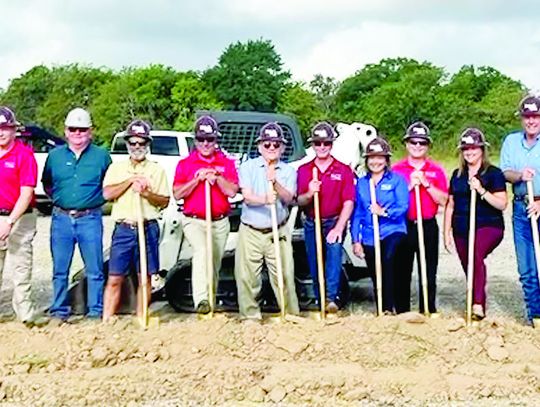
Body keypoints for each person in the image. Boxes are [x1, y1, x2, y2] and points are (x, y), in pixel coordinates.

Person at [42, 107, 111, 321]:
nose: (78, 133)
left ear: (90, 131)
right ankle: (59, 311)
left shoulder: (101, 156)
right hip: (61, 218)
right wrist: (63, 201)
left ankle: (95, 311)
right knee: (60, 269)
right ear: (66, 131)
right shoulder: (54, 156)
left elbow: (108, 185)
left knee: (95, 268)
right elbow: (48, 184)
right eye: (73, 129)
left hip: (90, 218)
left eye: (82, 129)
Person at [102, 120, 169, 321]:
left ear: (147, 144)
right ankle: (107, 319)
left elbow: (164, 201)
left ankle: (142, 318)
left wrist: (146, 193)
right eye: (133, 143)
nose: (137, 147)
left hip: (147, 227)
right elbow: (107, 193)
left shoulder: (157, 170)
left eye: (141, 143)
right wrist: (130, 181)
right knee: (115, 277)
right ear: (127, 144)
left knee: (145, 278)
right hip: (124, 228)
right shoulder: (117, 168)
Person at [173, 116, 239, 314]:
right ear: (195, 141)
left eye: (209, 139)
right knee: (202, 252)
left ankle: (209, 300)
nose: (205, 144)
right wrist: (196, 180)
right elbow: (177, 193)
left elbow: (232, 191)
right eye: (201, 139)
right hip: (194, 221)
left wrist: (216, 177)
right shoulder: (185, 164)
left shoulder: (226, 163)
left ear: (215, 140)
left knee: (214, 262)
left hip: (219, 221)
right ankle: (201, 299)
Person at [235, 122, 300, 321]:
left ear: (282, 147)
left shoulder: (288, 171)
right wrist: (265, 199)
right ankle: (250, 317)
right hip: (251, 230)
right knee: (247, 277)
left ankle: (289, 315)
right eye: (267, 144)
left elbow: (289, 198)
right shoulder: (247, 167)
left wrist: (275, 182)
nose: (271, 148)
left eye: (275, 144)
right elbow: (247, 196)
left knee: (284, 275)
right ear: (259, 146)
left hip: (277, 231)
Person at [444, 128, 507, 320]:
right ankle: (476, 300)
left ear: (482, 149)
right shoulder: (457, 175)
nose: (470, 152)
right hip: (462, 227)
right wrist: (446, 232)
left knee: (475, 253)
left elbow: (502, 203)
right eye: (466, 149)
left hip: (489, 225)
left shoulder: (493, 174)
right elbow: (450, 205)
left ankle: (478, 303)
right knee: (469, 264)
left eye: (474, 148)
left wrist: (481, 190)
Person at [297, 121, 355, 313]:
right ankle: (320, 299)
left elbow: (348, 201)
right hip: (312, 222)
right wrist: (309, 192)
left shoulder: (343, 170)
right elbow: (299, 200)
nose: (322, 147)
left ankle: (331, 299)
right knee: (314, 262)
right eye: (318, 143)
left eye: (326, 143)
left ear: (332, 144)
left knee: (333, 257)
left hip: (334, 221)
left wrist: (339, 228)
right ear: (312, 145)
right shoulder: (304, 170)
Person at [393, 122, 448, 314]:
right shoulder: (397, 171)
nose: (417, 146)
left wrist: (426, 184)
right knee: (401, 271)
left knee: (428, 270)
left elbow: (443, 200)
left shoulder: (436, 170)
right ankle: (402, 312)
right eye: (413, 142)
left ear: (427, 146)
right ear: (407, 144)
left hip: (427, 225)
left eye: (422, 143)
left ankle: (428, 310)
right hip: (403, 225)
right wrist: (408, 186)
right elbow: (391, 202)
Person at [351, 137, 408, 314]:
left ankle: (393, 308)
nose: (376, 161)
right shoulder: (361, 183)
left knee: (388, 262)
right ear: (367, 160)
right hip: (369, 234)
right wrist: (355, 240)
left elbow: (403, 206)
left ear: (386, 159)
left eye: (380, 157)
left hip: (393, 231)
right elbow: (358, 213)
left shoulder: (397, 180)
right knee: (376, 272)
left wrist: (384, 212)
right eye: (372, 158)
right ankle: (383, 309)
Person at [500, 95, 540, 326]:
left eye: (535, 116)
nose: (531, 121)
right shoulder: (511, 141)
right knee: (527, 266)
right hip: (521, 207)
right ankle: (535, 315)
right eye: (527, 116)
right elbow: (505, 171)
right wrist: (519, 176)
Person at [0, 106, 42, 325]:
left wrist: (9, 222)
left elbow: (26, 194)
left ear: (14, 130)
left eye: (5, 128)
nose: (1, 132)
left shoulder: (24, 155)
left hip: (20, 217)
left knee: (20, 267)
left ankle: (25, 314)